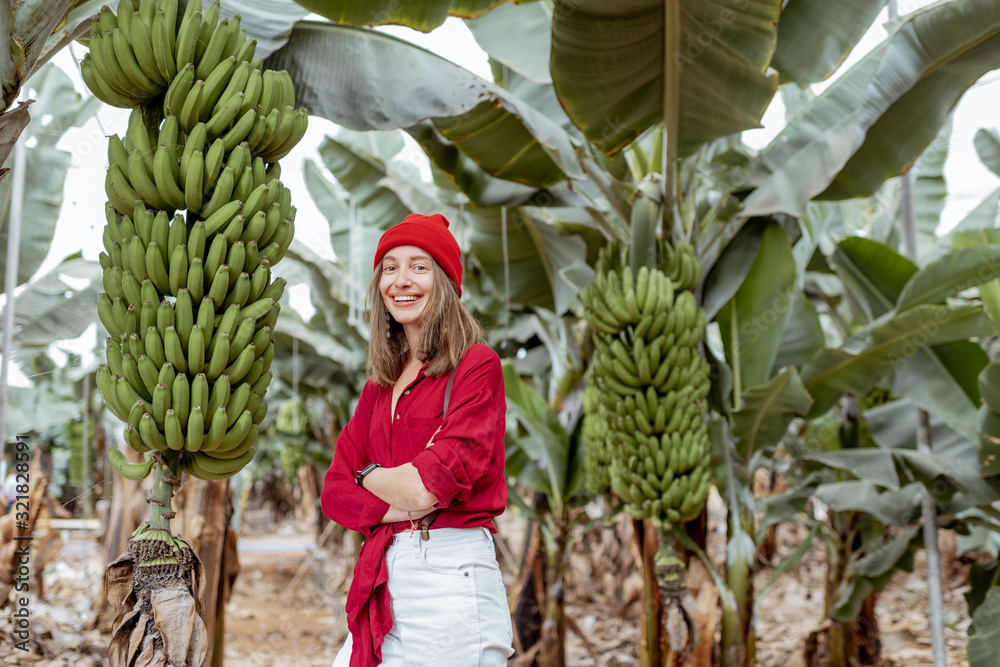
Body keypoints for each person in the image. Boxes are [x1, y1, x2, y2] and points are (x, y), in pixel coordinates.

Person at [322, 213, 513, 667]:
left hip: (450, 577)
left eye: (418, 266)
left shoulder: (476, 366)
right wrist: (387, 485)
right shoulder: (378, 388)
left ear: (444, 281)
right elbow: (333, 492)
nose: (400, 280)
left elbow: (427, 487)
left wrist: (365, 476)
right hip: (386, 573)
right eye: (389, 267)